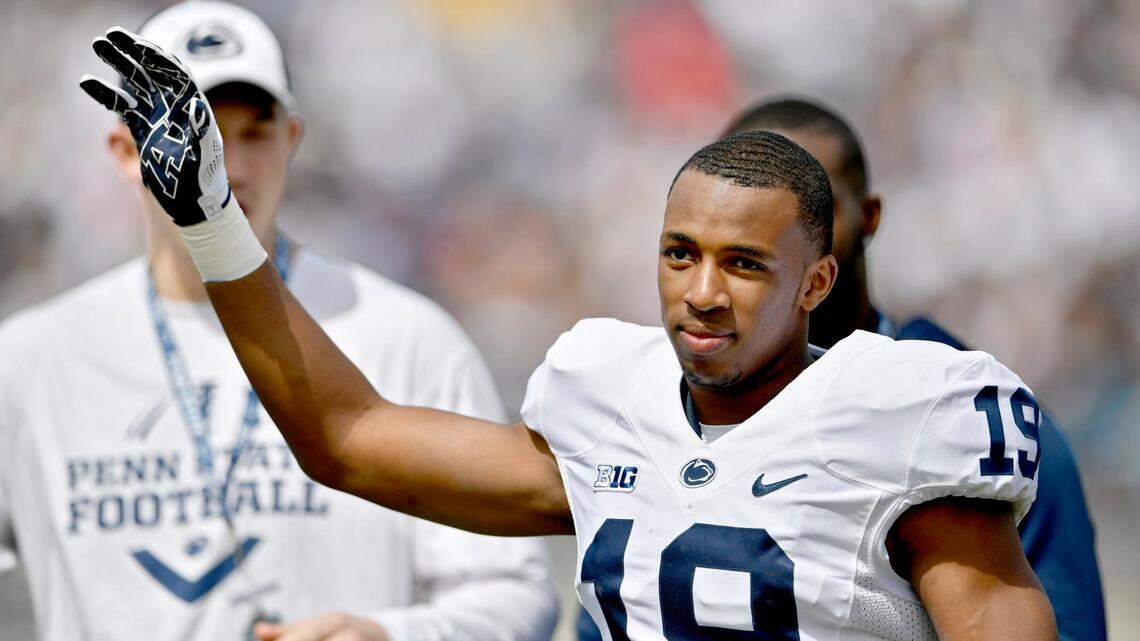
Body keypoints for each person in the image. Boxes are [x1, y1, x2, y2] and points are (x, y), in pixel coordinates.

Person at [79, 28, 1058, 640]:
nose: (704, 292)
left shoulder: (904, 410)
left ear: (819, 280)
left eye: (746, 264)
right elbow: (344, 436)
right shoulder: (606, 397)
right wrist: (212, 222)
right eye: (680, 253)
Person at [0, 4, 558, 640]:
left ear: (292, 139)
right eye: (192, 134)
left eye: (253, 132)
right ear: (126, 151)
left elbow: (516, 594)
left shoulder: (405, 336)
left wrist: (389, 636)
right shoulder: (32, 358)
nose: (224, 167)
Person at [719, 96, 1106, 641]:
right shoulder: (658, 401)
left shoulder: (973, 421)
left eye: (814, 210)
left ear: (869, 215)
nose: (780, 238)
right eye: (749, 213)